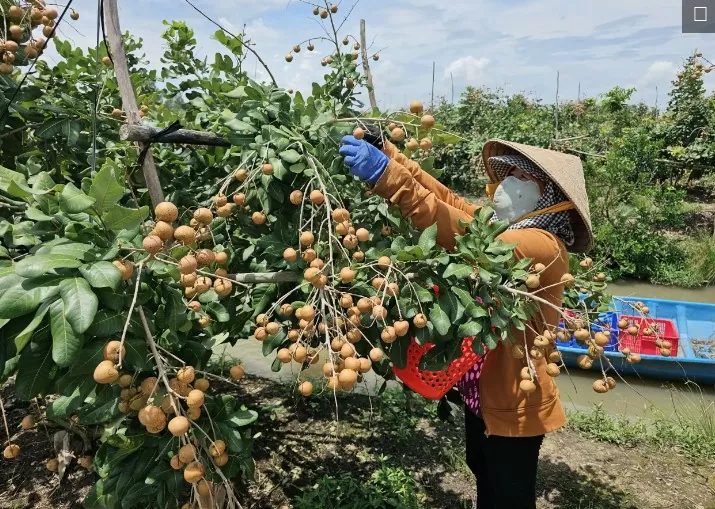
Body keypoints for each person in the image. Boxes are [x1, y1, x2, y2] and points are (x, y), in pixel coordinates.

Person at [339, 131, 593, 509]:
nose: (503, 184)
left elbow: (455, 231)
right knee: (481, 470)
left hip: (515, 400)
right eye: (505, 174)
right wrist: (391, 156)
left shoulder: (542, 245)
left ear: (547, 198)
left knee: (509, 495)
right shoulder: (508, 231)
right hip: (485, 394)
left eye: (519, 178)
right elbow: (450, 202)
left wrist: (386, 177)